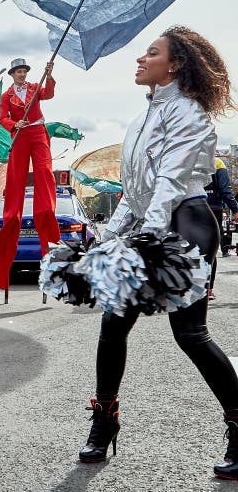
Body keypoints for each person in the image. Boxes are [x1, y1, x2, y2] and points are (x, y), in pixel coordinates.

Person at [76, 27, 238, 480]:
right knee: (113, 324)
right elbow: (137, 191)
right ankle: (104, 422)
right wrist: (107, 240)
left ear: (176, 64)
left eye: (151, 53)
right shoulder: (139, 120)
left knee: (189, 333)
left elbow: (169, 184)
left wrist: (147, 240)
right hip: (152, 225)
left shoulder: (190, 114)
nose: (139, 60)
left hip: (186, 225)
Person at [0, 58, 60, 290]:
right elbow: (2, 118)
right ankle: (12, 213)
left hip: (37, 131)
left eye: (24, 71)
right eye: (18, 72)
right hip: (20, 133)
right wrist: (15, 124)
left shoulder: (35, 88)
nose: (22, 75)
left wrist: (50, 75)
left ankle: (46, 209)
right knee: (15, 177)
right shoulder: (7, 96)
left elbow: (49, 94)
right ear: (13, 74)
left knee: (44, 171)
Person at [205, 158, 238, 299]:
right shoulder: (217, 163)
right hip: (213, 210)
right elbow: (225, 189)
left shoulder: (186, 157)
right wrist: (235, 209)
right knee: (210, 250)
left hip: (189, 208)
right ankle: (208, 290)